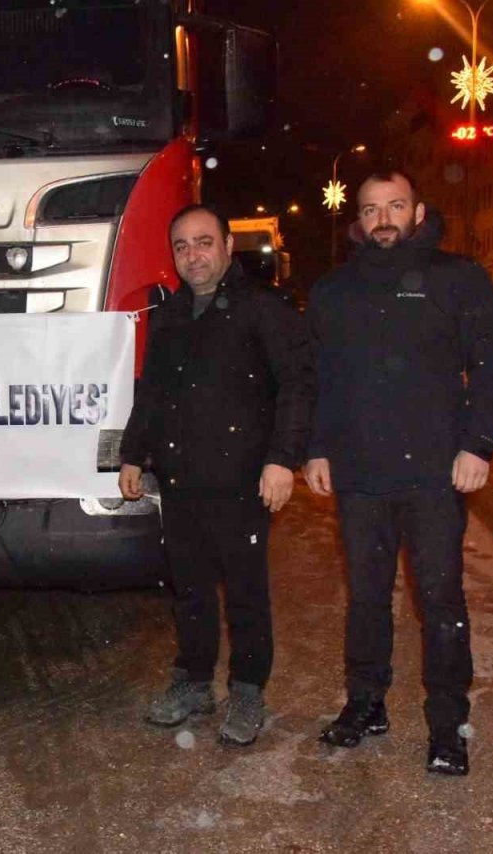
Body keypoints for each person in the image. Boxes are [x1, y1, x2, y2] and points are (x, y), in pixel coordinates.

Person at [305, 171, 493, 776]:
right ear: (359, 219)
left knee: (440, 599)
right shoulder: (334, 291)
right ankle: (366, 704)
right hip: (361, 478)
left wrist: (478, 446)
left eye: (396, 206)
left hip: (434, 477)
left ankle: (447, 727)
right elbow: (321, 379)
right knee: (366, 598)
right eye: (371, 210)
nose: (383, 219)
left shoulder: (458, 279)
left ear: (419, 211)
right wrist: (318, 448)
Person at [119, 204, 313, 746]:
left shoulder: (264, 309)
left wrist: (282, 459)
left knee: (246, 592)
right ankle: (194, 682)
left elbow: (297, 385)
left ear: (228, 244)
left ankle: (248, 689)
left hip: (243, 478)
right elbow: (152, 392)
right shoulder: (172, 317)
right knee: (190, 589)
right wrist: (133, 454)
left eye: (204, 242)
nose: (192, 255)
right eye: (181, 246)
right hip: (181, 479)